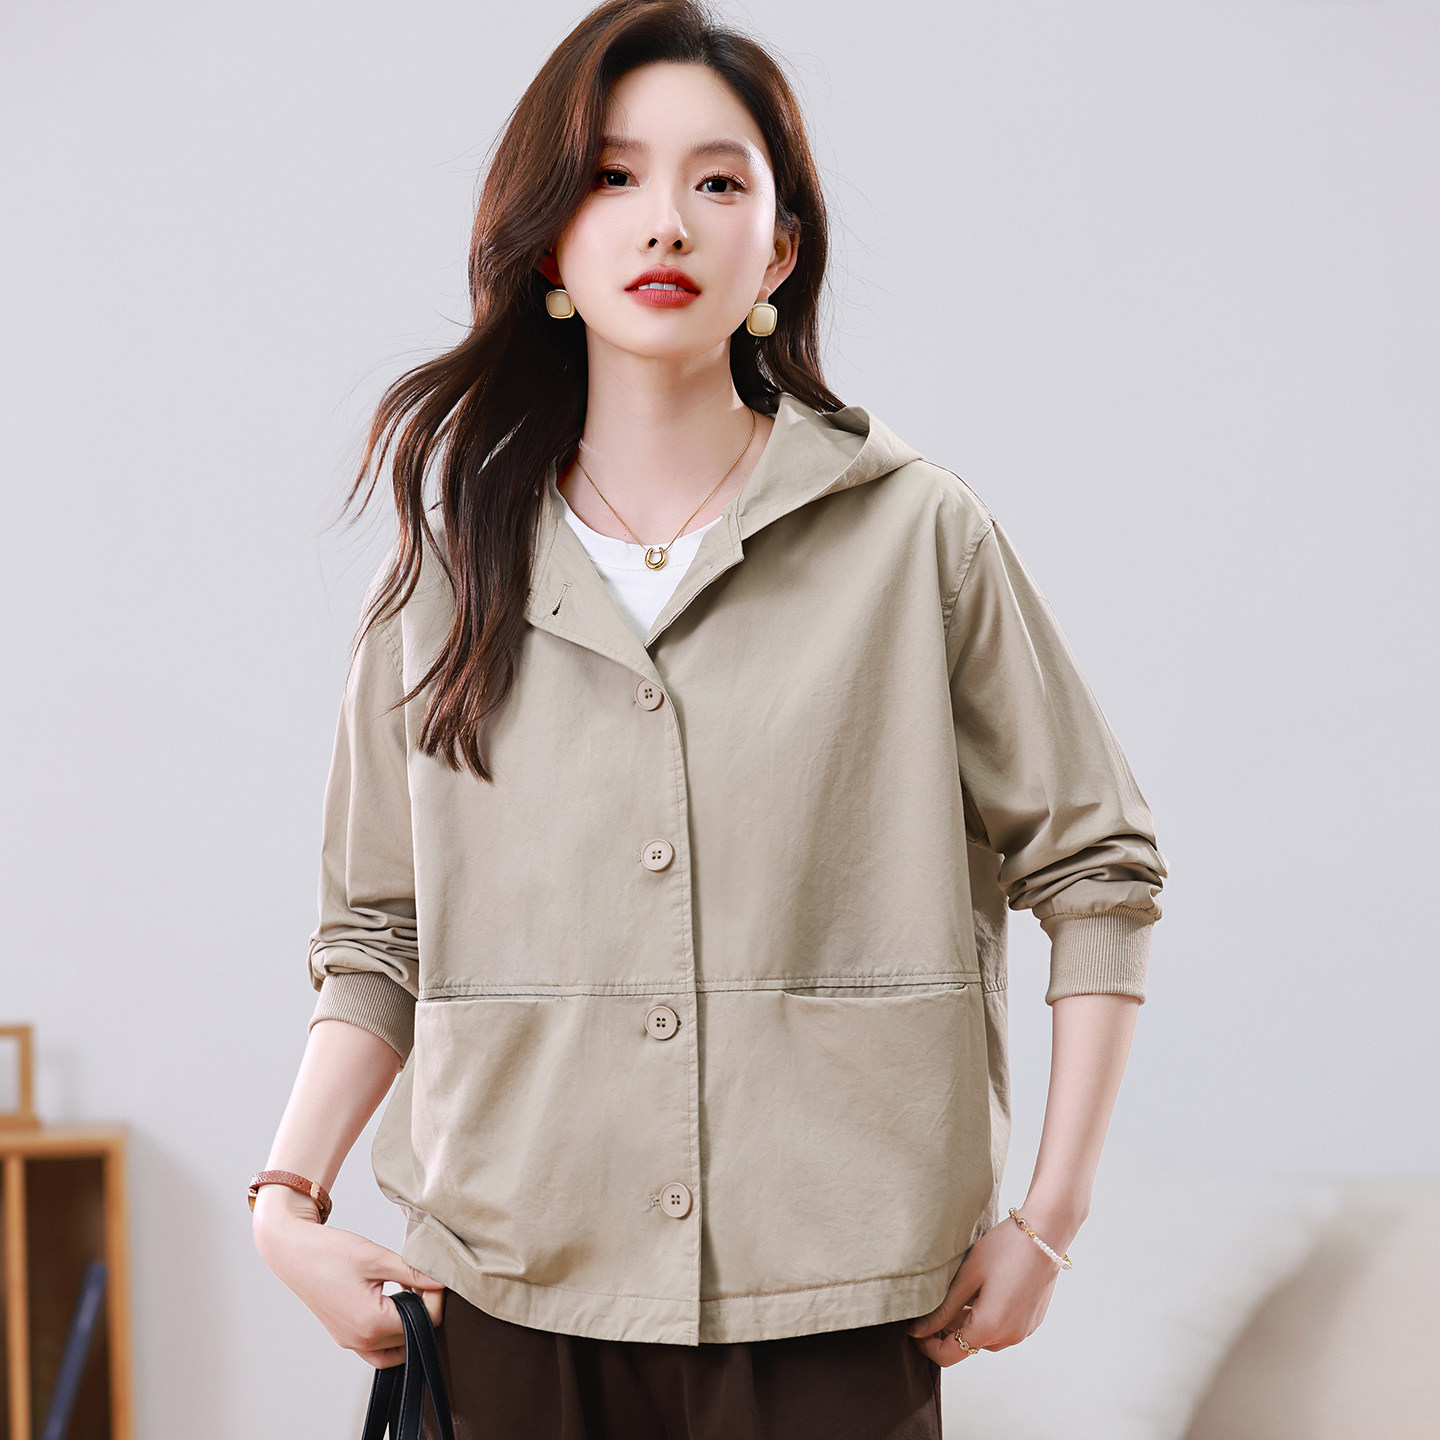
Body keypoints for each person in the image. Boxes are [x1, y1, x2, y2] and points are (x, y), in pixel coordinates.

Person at [250, 1, 1168, 1435]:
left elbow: (1099, 868)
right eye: (612, 177)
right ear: (549, 244)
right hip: (507, 1300)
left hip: (836, 1304)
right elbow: (379, 932)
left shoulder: (915, 536)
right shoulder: (447, 573)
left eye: (719, 182)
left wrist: (1049, 1219)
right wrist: (285, 1201)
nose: (665, 221)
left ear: (779, 250)